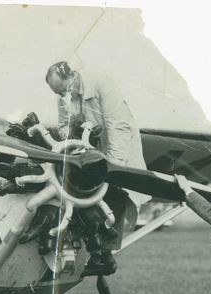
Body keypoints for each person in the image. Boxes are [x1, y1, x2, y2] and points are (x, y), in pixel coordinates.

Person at [45, 61, 149, 274]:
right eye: (58, 92)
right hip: (89, 152)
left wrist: (113, 167)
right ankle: (95, 253)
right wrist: (75, 131)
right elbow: (64, 127)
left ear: (72, 77)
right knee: (84, 195)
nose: (63, 95)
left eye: (64, 89)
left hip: (117, 148)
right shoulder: (63, 96)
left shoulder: (103, 85)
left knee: (114, 194)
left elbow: (117, 126)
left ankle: (105, 255)